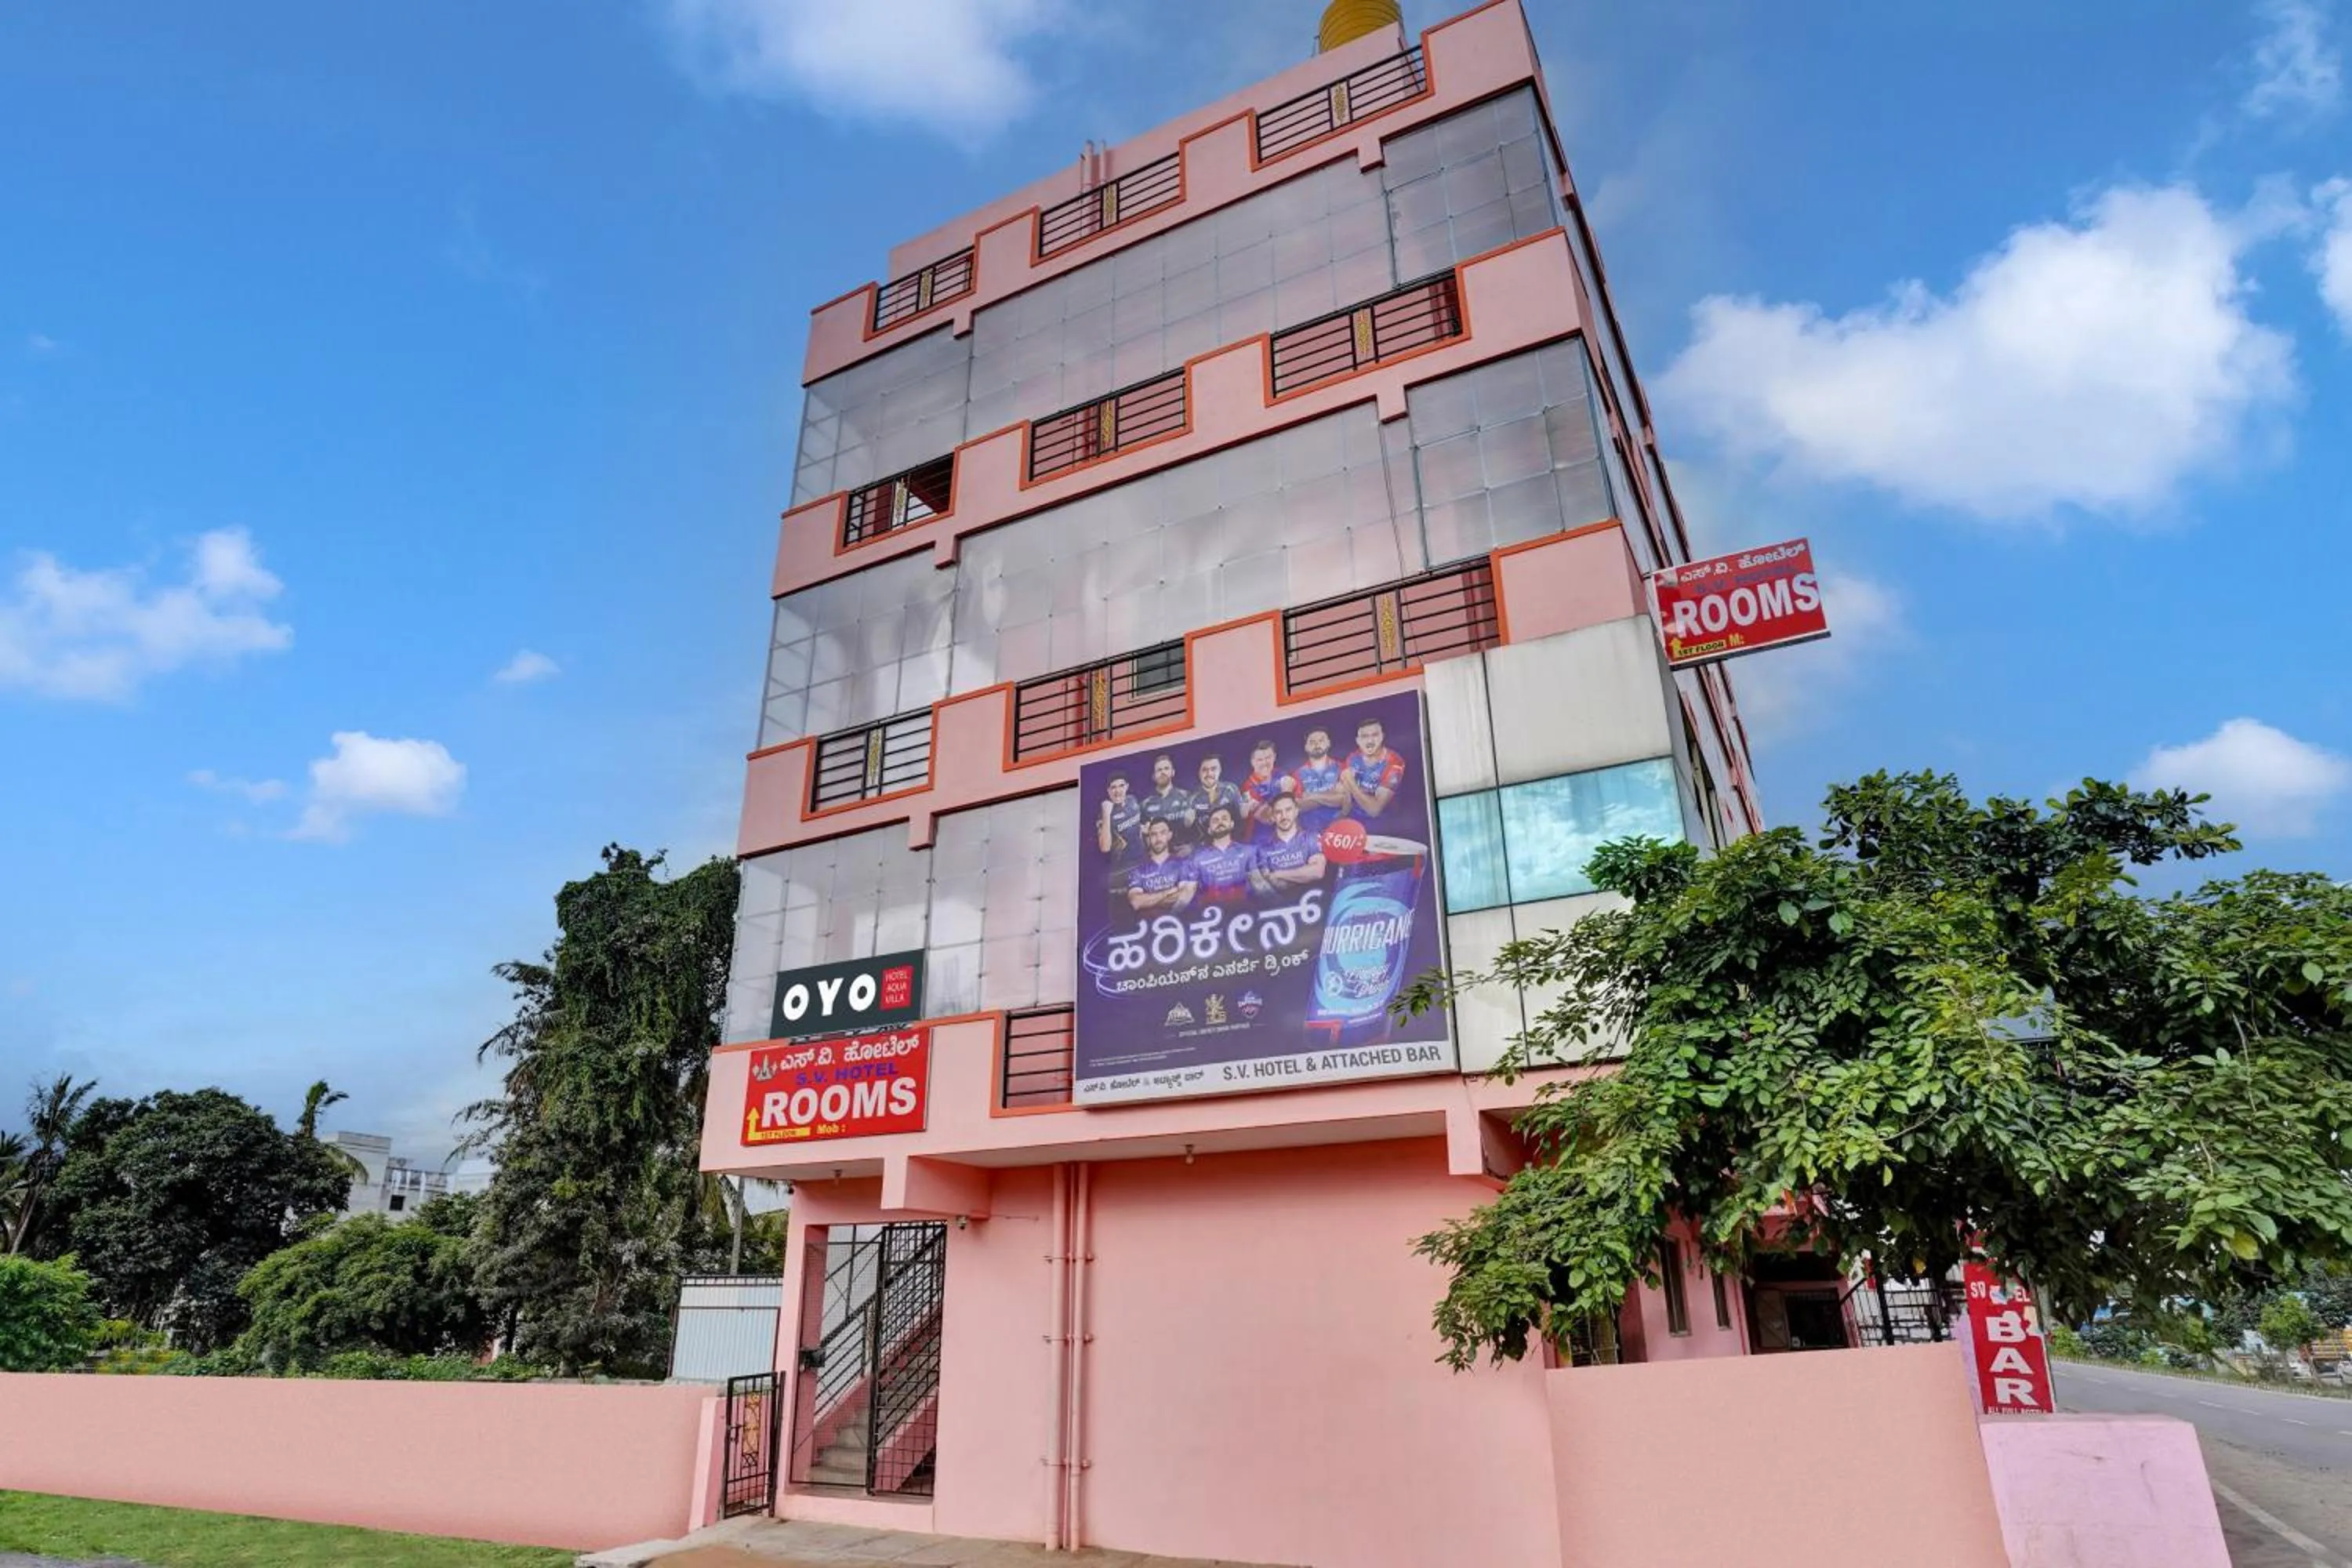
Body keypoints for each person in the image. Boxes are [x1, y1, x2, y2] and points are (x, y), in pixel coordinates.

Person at [1249, 793, 1328, 897]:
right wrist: (1303, 874)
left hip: (1314, 903)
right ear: (1273, 817)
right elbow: (1268, 883)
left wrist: (1279, 874)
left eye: (1288, 810)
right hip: (1279, 907)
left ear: (1296, 812)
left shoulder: (1312, 838)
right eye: (1278, 812)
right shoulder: (1263, 849)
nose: (1284, 816)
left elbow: (1317, 872)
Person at [1125, 818, 1197, 914]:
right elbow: (1136, 902)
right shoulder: (1138, 871)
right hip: (1147, 926)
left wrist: (1149, 900)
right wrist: (1167, 893)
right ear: (1149, 839)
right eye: (1154, 834)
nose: (1158, 839)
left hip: (1179, 923)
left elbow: (1185, 896)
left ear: (1169, 835)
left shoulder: (1183, 864)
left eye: (1163, 833)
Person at [1189, 805, 1257, 907]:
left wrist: (1279, 902)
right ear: (1209, 830)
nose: (1220, 823)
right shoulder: (1197, 859)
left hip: (1244, 910)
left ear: (1232, 824)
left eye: (1224, 819)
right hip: (1212, 914)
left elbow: (1259, 884)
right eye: (1215, 821)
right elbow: (1188, 891)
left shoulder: (1249, 851)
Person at [1341, 717, 1406, 822]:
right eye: (1365, 736)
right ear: (1358, 741)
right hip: (1355, 819)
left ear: (1382, 737)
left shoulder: (1394, 763)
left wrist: (1350, 781)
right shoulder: (1353, 757)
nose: (1370, 741)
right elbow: (1347, 797)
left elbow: (1374, 811)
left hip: (1386, 823)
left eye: (1375, 735)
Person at [1290, 728, 1348, 838]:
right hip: (1311, 832)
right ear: (1306, 747)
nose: (1317, 745)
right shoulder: (1298, 774)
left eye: (1321, 740)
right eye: (1312, 742)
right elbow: (1298, 806)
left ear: (1328, 743)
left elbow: (1344, 800)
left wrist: (1312, 796)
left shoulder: (1341, 767)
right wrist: (1332, 795)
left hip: (1339, 830)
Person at [1238, 738, 1294, 845]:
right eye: (1260, 760)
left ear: (1274, 757)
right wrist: (1286, 792)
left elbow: (1298, 805)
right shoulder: (1247, 787)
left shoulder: (1281, 774)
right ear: (1252, 762)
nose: (1265, 763)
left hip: (1285, 837)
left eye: (1268, 758)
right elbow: (1268, 818)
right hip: (1260, 842)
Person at [1189, 754, 1244, 849]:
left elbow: (1240, 820)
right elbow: (1190, 830)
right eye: (1204, 770)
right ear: (1199, 773)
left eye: (1213, 769)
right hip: (1205, 849)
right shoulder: (1192, 798)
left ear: (1220, 770)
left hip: (1232, 846)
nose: (1209, 773)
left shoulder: (1231, 789)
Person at [1140, 753, 1191, 846]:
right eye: (1159, 770)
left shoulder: (1187, 796)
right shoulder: (1145, 804)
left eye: (1166, 768)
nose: (1163, 772)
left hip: (1184, 852)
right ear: (1154, 776)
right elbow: (1143, 836)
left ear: (1173, 772)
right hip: (1159, 853)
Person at [1096, 775, 1142, 865]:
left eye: (1121, 786)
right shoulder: (1105, 813)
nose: (1118, 791)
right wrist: (1106, 814)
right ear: (1108, 791)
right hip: (1123, 865)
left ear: (1127, 787)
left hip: (1142, 858)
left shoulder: (1132, 800)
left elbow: (1138, 825)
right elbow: (1105, 848)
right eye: (1113, 787)